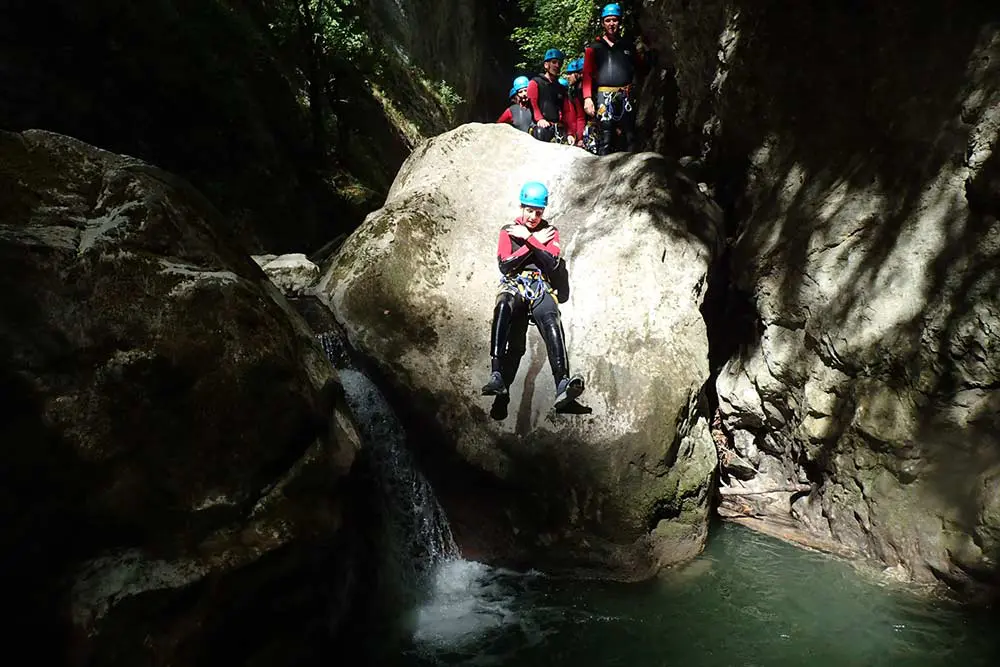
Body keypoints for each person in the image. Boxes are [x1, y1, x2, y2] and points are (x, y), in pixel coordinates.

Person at [481, 181, 585, 410]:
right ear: (522, 208)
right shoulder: (508, 231)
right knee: (503, 307)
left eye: (538, 212)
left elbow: (552, 264)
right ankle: (497, 374)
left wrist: (528, 238)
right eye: (529, 210)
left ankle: (563, 385)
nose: (533, 217)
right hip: (515, 285)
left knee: (551, 318)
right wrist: (534, 242)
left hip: (540, 286)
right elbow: (505, 266)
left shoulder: (550, 231)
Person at [582, 3, 643, 155]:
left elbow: (640, 66)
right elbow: (587, 74)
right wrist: (587, 98)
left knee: (629, 134)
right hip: (604, 95)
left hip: (625, 95)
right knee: (606, 135)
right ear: (603, 23)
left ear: (619, 22)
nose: (611, 24)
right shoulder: (594, 48)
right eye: (608, 20)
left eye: (614, 20)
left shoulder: (627, 46)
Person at [527, 49, 577, 144]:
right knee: (540, 133)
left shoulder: (560, 88)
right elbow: (533, 103)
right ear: (546, 65)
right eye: (554, 62)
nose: (557, 66)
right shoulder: (535, 82)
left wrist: (570, 132)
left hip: (556, 126)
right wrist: (540, 119)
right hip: (539, 125)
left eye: (559, 63)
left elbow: (566, 111)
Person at [563, 57, 588, 149]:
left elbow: (580, 117)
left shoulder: (579, 91)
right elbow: (580, 117)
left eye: (570, 74)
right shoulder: (575, 92)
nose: (567, 77)